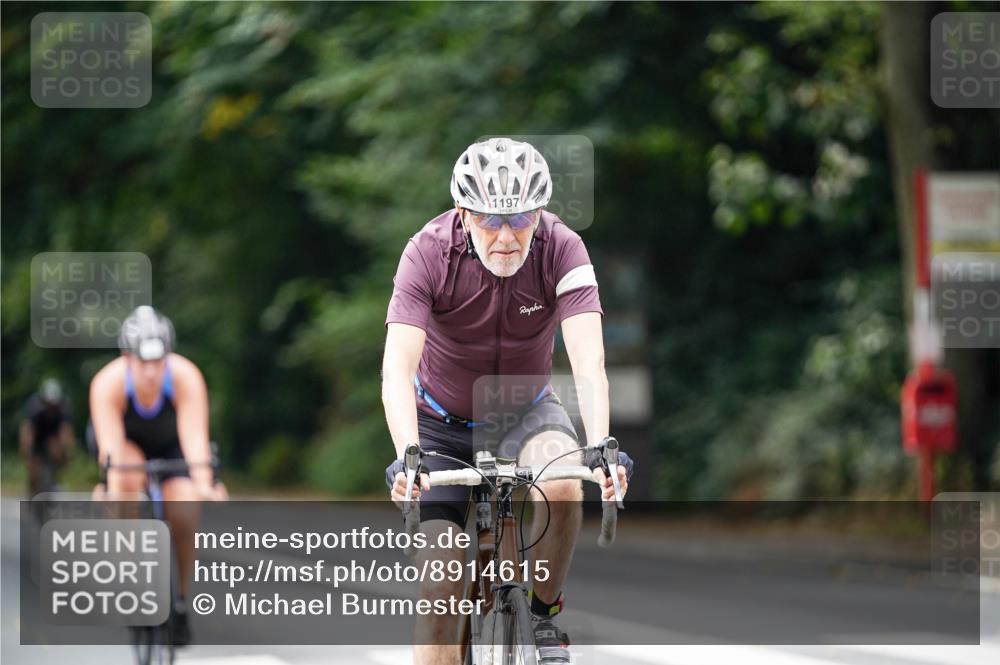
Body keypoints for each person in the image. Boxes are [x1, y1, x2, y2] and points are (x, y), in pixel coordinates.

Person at [382, 137, 635, 665]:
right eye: (488, 219)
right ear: (462, 212)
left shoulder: (563, 248)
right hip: (440, 424)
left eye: (520, 219)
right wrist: (408, 455)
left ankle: (543, 615)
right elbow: (397, 368)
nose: (504, 236)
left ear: (539, 213)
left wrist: (601, 446)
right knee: (439, 589)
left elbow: (589, 364)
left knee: (562, 482)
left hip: (527, 411)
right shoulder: (427, 252)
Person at [89, 305, 227, 646]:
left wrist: (205, 484)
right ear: (127, 357)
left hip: (171, 444)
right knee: (125, 480)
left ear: (168, 355)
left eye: (158, 361)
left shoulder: (185, 376)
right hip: (127, 444)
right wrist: (110, 487)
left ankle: (180, 599)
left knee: (184, 508)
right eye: (143, 361)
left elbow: (194, 438)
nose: (151, 371)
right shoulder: (107, 383)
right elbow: (110, 448)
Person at [19, 378, 75, 496]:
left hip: (51, 436)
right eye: (48, 404)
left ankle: (54, 479)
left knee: (58, 452)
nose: (51, 407)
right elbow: (27, 431)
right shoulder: (35, 408)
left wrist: (67, 451)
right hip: (37, 437)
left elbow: (66, 430)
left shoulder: (63, 408)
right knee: (33, 467)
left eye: (53, 405)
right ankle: (33, 490)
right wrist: (27, 451)